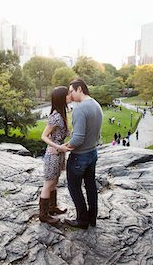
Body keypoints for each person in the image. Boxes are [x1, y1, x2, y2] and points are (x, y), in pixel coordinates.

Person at [60, 79, 103, 229]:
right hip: (92, 153)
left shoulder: (80, 109)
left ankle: (82, 220)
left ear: (79, 89)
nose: (70, 94)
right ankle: (92, 218)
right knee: (90, 185)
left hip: (80, 156)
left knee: (74, 187)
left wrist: (63, 147)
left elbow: (77, 138)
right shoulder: (96, 104)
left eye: (71, 91)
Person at [39, 86, 71, 225]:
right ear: (61, 98)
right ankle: (43, 215)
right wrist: (58, 147)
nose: (70, 96)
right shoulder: (56, 116)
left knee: (55, 181)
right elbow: (44, 136)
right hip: (53, 154)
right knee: (49, 183)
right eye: (68, 94)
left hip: (59, 154)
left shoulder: (61, 113)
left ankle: (52, 207)